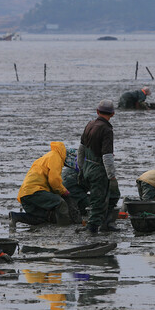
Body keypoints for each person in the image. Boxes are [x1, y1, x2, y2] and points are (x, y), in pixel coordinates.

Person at [78, 99, 120, 234]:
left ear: (97, 112)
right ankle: (92, 229)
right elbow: (107, 156)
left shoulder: (89, 125)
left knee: (114, 194)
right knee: (98, 201)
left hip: (88, 167)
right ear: (112, 114)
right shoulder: (106, 129)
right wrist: (112, 177)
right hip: (99, 170)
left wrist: (81, 169)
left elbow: (81, 150)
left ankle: (106, 223)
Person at [11, 141, 74, 227]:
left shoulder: (46, 157)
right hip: (35, 191)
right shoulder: (56, 157)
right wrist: (63, 191)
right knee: (60, 203)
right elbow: (54, 181)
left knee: (41, 218)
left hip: (24, 194)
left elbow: (49, 181)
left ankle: (15, 217)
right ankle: (64, 227)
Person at [62, 146, 89, 222]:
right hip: (72, 186)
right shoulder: (88, 165)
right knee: (88, 208)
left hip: (67, 185)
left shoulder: (74, 164)